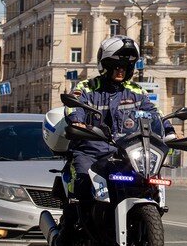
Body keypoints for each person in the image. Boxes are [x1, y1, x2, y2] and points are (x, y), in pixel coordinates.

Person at [64, 36, 176, 216]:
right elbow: (73, 106)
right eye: (116, 66)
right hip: (91, 150)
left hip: (125, 152)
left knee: (148, 183)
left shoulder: (136, 91)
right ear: (105, 65)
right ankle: (73, 229)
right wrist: (78, 122)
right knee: (83, 183)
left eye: (125, 67)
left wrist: (169, 131)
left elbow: (154, 113)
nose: (120, 71)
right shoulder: (87, 87)